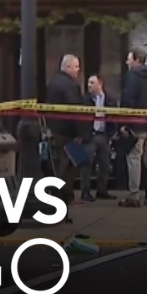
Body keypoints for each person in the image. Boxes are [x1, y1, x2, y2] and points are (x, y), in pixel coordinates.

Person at [120, 48, 147, 207]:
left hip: (136, 124)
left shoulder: (132, 75)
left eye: (129, 59)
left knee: (134, 158)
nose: (127, 62)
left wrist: (124, 123)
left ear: (137, 60)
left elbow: (128, 99)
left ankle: (134, 196)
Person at [45, 54, 87, 215]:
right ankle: (64, 197)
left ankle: (65, 195)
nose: (78, 70)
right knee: (70, 165)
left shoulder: (54, 81)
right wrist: (80, 133)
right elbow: (75, 110)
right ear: (67, 67)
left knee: (66, 164)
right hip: (69, 132)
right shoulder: (69, 85)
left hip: (57, 129)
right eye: (76, 67)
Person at [82, 75, 117, 202]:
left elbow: (114, 116)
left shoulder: (109, 98)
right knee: (86, 163)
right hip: (90, 134)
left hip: (103, 134)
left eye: (92, 82)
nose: (89, 85)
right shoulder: (85, 99)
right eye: (88, 82)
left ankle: (102, 190)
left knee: (104, 163)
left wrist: (111, 133)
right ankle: (85, 191)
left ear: (100, 84)